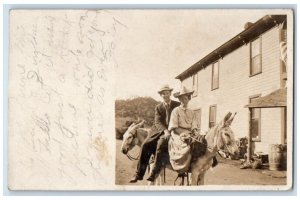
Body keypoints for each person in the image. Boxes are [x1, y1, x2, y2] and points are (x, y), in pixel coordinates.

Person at [129, 84, 181, 183]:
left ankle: (154, 172)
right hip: (159, 130)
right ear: (161, 96)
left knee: (160, 145)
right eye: (163, 94)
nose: (165, 95)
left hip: (172, 130)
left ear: (170, 94)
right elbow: (158, 122)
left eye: (166, 93)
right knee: (145, 145)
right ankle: (138, 174)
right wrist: (165, 130)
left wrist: (171, 130)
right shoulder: (158, 107)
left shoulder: (177, 105)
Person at [168, 86, 218, 173]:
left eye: (186, 98)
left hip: (190, 133)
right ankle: (183, 165)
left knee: (201, 142)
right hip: (177, 133)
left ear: (188, 99)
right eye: (182, 99)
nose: (184, 101)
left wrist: (195, 132)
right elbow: (174, 127)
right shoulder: (176, 111)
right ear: (179, 100)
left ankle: (198, 164)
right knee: (185, 147)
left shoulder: (192, 112)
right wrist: (183, 134)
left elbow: (194, 126)